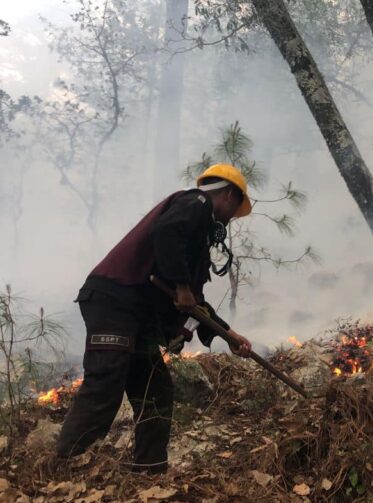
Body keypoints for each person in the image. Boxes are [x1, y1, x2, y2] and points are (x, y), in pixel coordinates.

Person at [55, 164, 254, 472]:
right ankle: (65, 464)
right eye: (234, 210)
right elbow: (166, 233)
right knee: (106, 384)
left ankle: (150, 473)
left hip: (137, 316)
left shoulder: (195, 242)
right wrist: (182, 286)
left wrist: (229, 336)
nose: (229, 221)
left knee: (155, 391)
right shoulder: (195, 203)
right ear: (228, 194)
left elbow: (195, 305)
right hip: (114, 301)